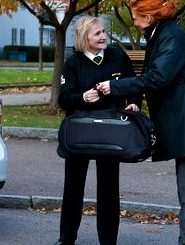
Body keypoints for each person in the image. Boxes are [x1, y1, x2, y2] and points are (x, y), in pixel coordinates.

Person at [96, 0, 185, 245]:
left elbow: (158, 78)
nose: (134, 21)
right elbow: (157, 77)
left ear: (149, 17)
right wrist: (136, 103)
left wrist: (115, 86)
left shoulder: (170, 37)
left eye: (136, 17)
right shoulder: (162, 34)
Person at [57, 16, 141, 245]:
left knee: (108, 188)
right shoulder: (73, 62)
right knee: (73, 187)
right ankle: (66, 239)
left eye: (104, 31)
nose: (103, 36)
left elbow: (134, 84)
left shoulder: (117, 56)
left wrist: (133, 102)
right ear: (85, 38)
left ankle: (108, 240)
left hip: (111, 130)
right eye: (97, 33)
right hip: (80, 131)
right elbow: (64, 99)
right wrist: (82, 98)